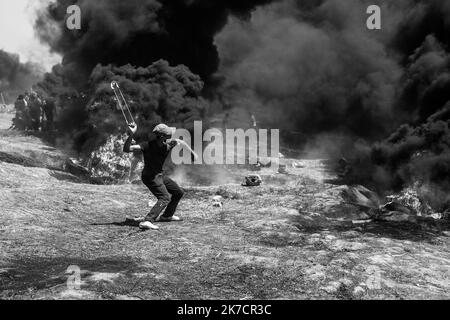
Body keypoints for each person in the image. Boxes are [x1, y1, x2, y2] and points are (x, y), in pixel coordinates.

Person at [123, 123, 198, 230]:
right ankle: (148, 220)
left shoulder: (168, 144)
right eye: (168, 136)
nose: (170, 138)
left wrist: (193, 153)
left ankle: (167, 216)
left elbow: (181, 142)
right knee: (164, 198)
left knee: (178, 192)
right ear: (162, 137)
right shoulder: (147, 145)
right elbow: (126, 149)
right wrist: (131, 134)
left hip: (159, 175)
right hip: (150, 177)